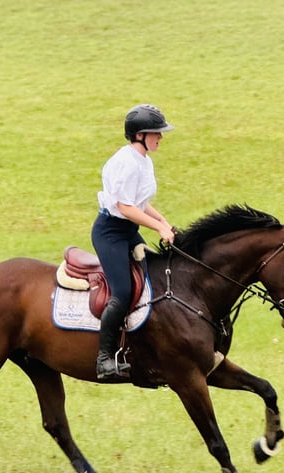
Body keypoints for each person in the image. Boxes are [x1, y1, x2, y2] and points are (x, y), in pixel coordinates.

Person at [91, 104, 176, 382]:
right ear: (140, 135)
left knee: (154, 277)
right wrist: (157, 228)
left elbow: (141, 202)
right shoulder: (127, 162)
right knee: (124, 291)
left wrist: (164, 222)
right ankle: (104, 358)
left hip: (127, 230)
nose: (160, 138)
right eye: (156, 133)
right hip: (111, 233)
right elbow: (125, 207)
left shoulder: (144, 160)